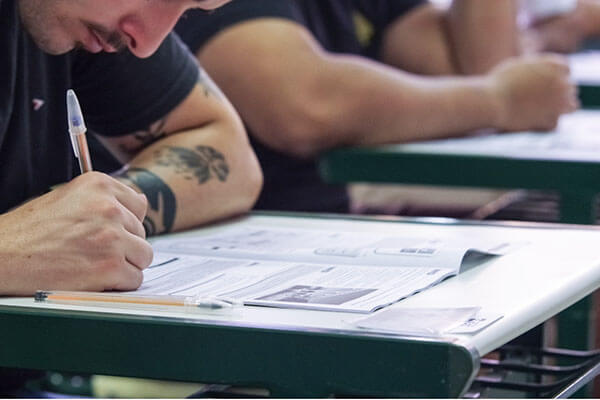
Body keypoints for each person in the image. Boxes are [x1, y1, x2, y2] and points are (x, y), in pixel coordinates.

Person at [173, 0, 577, 214]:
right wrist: (498, 100)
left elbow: (473, 69)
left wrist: (499, 96)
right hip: (247, 249)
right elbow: (304, 107)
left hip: (344, 218)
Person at [0, 0, 263, 297]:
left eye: (191, 9)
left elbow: (229, 153)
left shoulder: (78, 18)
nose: (146, 45)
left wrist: (95, 216)